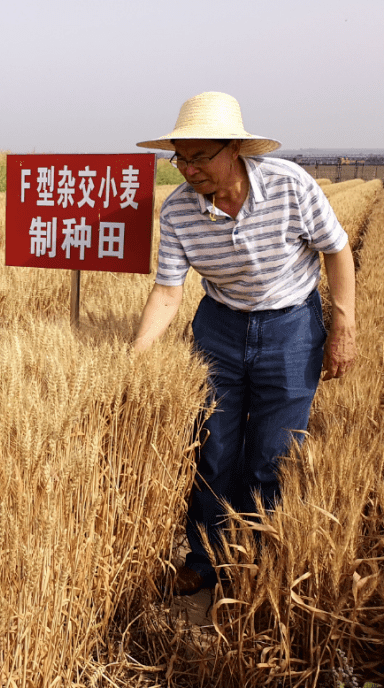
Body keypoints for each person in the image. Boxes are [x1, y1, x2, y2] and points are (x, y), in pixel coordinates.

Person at [131, 91, 357, 596]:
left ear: (235, 149)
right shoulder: (178, 213)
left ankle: (253, 560)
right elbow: (168, 293)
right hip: (221, 326)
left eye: (200, 156)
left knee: (272, 454)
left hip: (291, 326)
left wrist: (343, 328)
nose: (188, 170)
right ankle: (205, 557)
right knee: (214, 448)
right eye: (180, 158)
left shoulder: (289, 185)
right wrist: (134, 362)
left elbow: (338, 251)